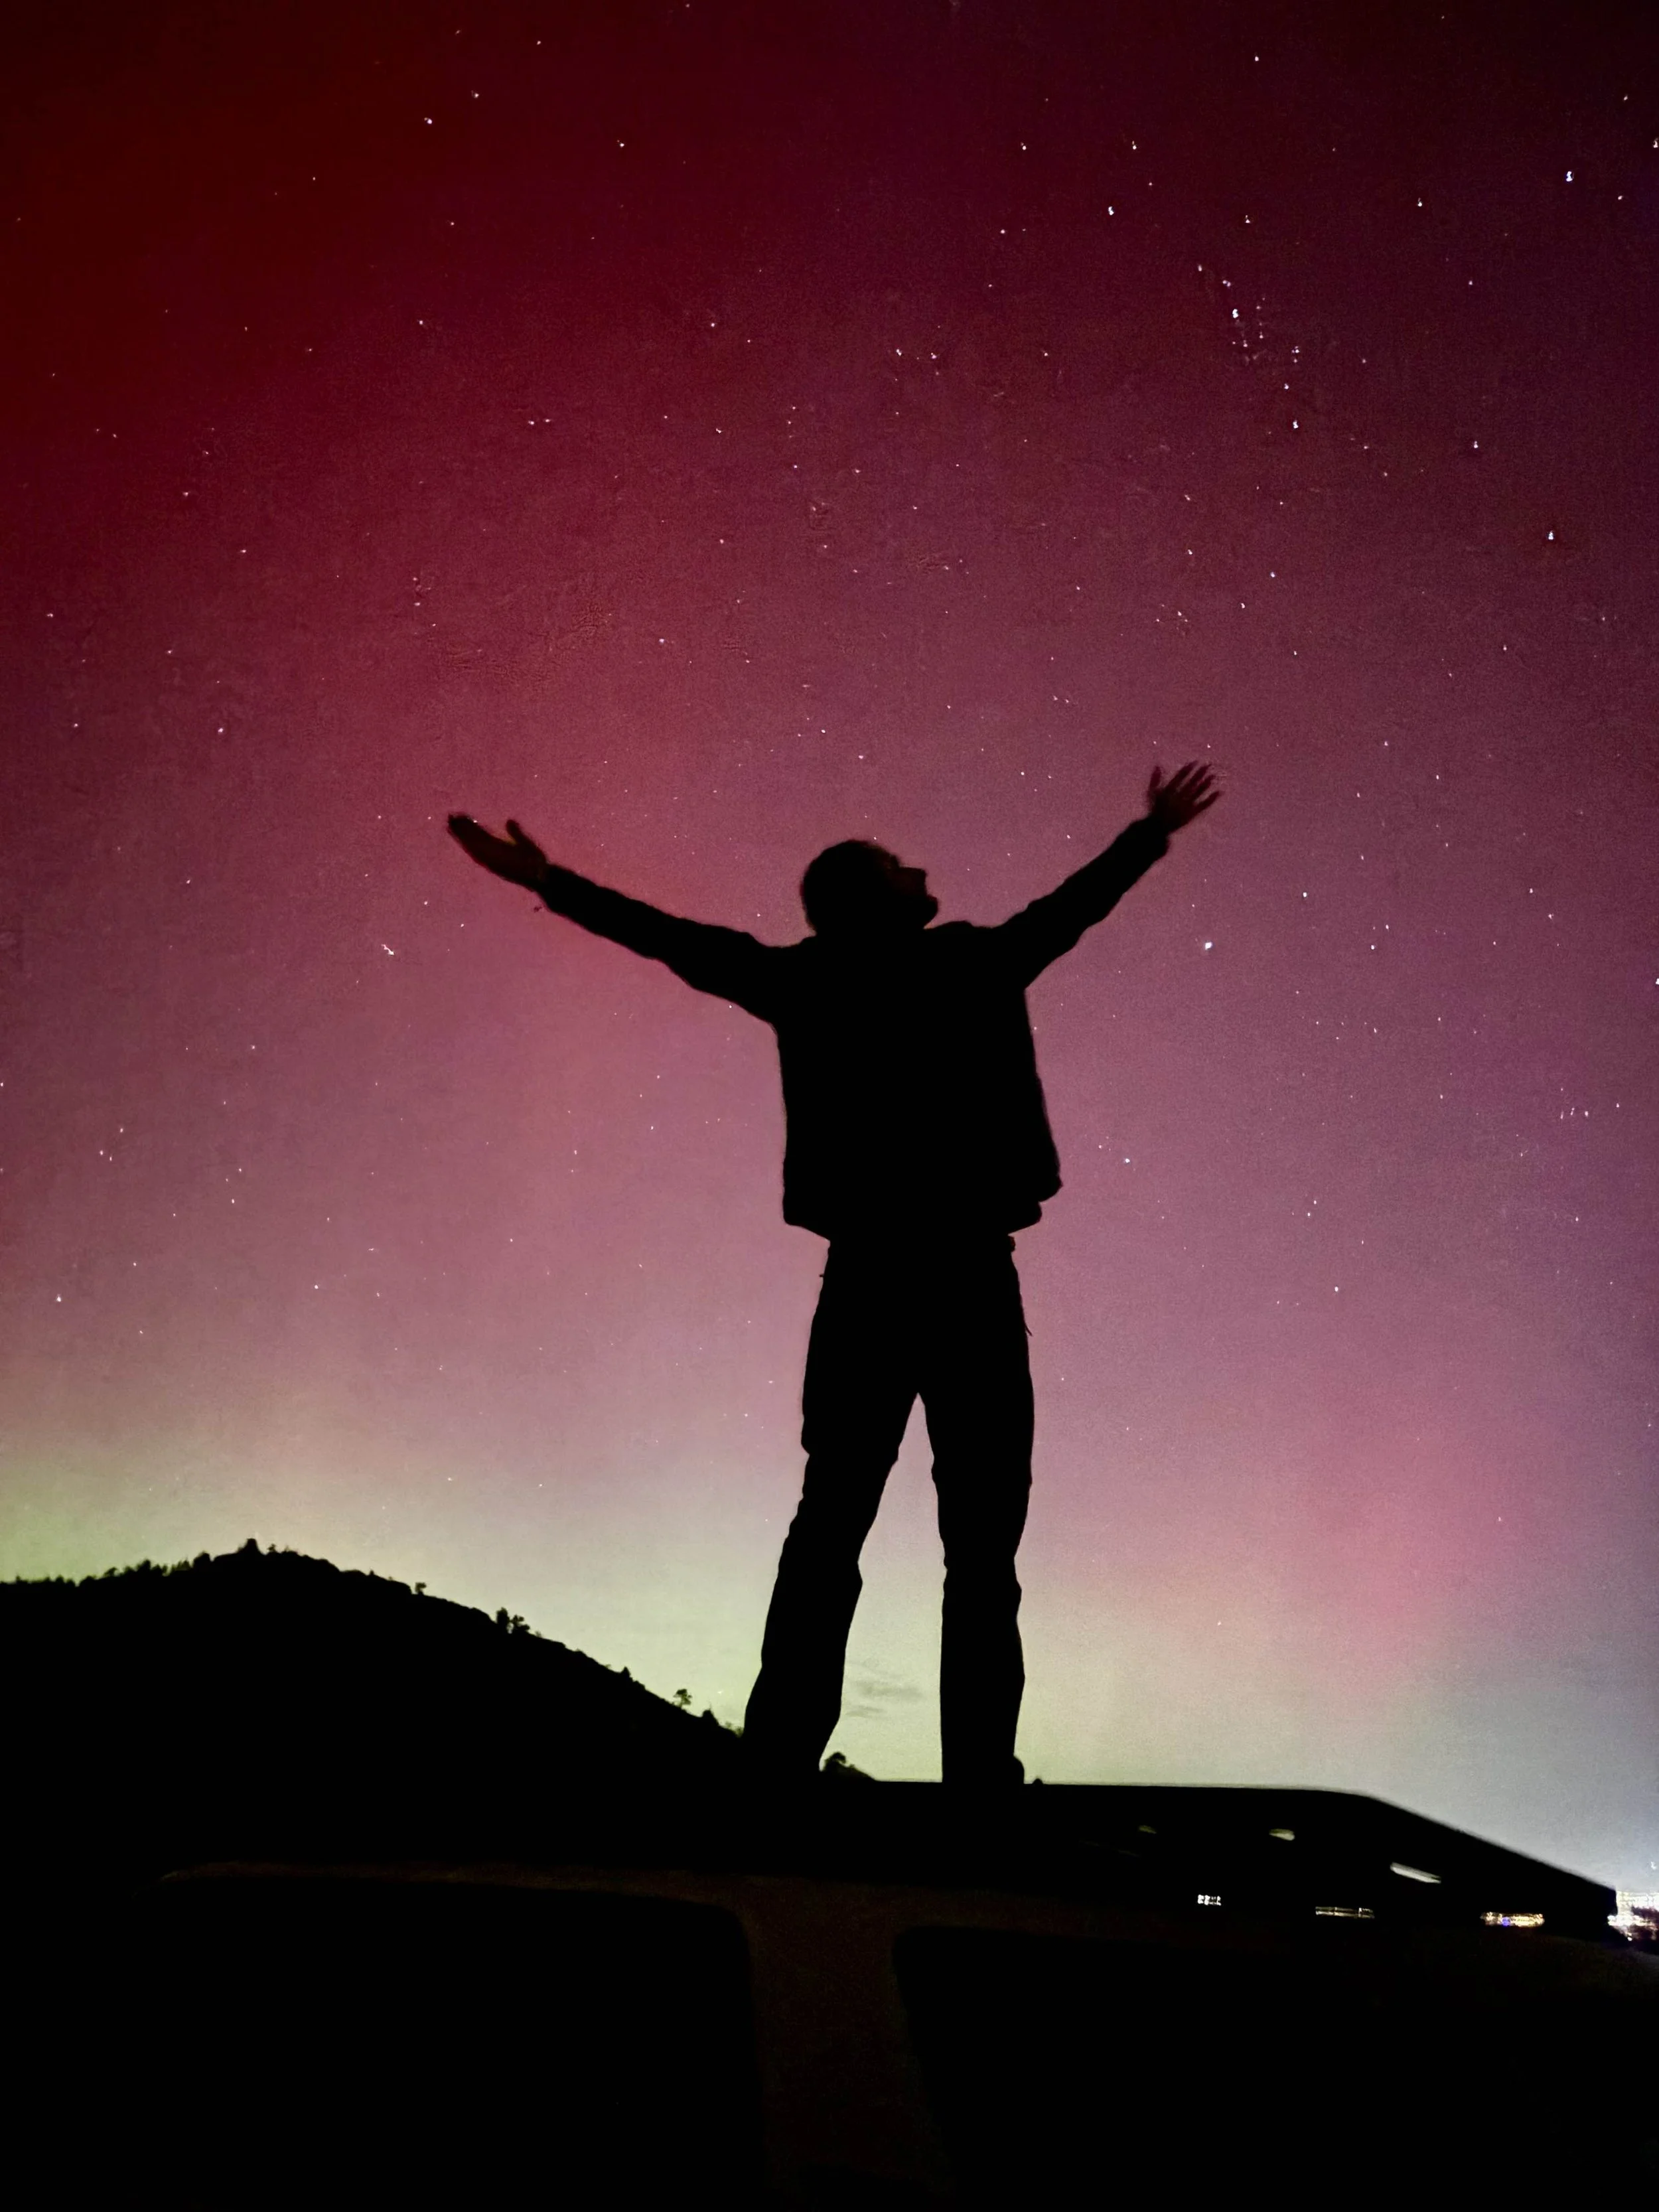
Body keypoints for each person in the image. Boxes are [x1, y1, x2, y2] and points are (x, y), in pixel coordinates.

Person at [449, 759, 1218, 1787]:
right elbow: (1070, 911)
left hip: (868, 1280)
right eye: (902, 867)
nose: (923, 869)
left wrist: (550, 884)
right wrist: (1147, 834)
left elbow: (672, 941)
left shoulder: (805, 981)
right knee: (978, 1553)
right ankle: (977, 1782)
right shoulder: (965, 965)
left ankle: (778, 1763)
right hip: (965, 1277)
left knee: (833, 1523)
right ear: (874, 899)